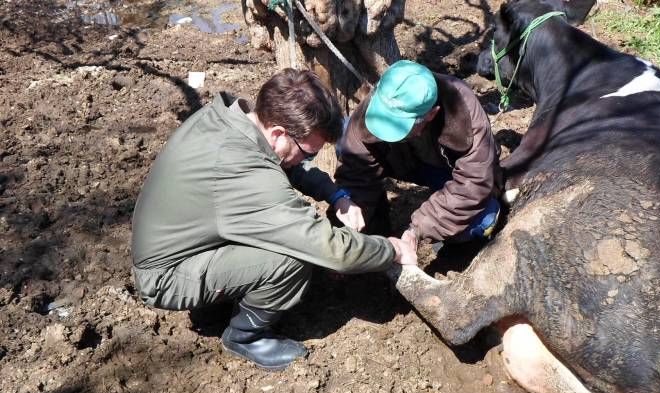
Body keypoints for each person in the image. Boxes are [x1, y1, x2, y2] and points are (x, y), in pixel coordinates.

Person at [131, 69, 416, 371]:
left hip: (185, 241)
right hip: (166, 276)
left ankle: (235, 290)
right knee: (292, 258)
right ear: (279, 133)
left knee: (287, 237)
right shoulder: (243, 174)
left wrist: (337, 196)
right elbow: (331, 250)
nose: (307, 161)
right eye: (308, 154)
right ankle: (244, 336)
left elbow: (286, 165)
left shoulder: (234, 122)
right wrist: (392, 250)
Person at [334, 60, 502, 251]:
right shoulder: (382, 100)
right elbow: (356, 174)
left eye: (398, 126)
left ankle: (451, 247)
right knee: (346, 133)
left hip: (448, 171)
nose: (386, 131)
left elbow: (473, 184)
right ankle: (375, 226)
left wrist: (416, 230)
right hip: (403, 163)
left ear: (432, 114)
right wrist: (347, 235)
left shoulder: (463, 110)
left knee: (484, 219)